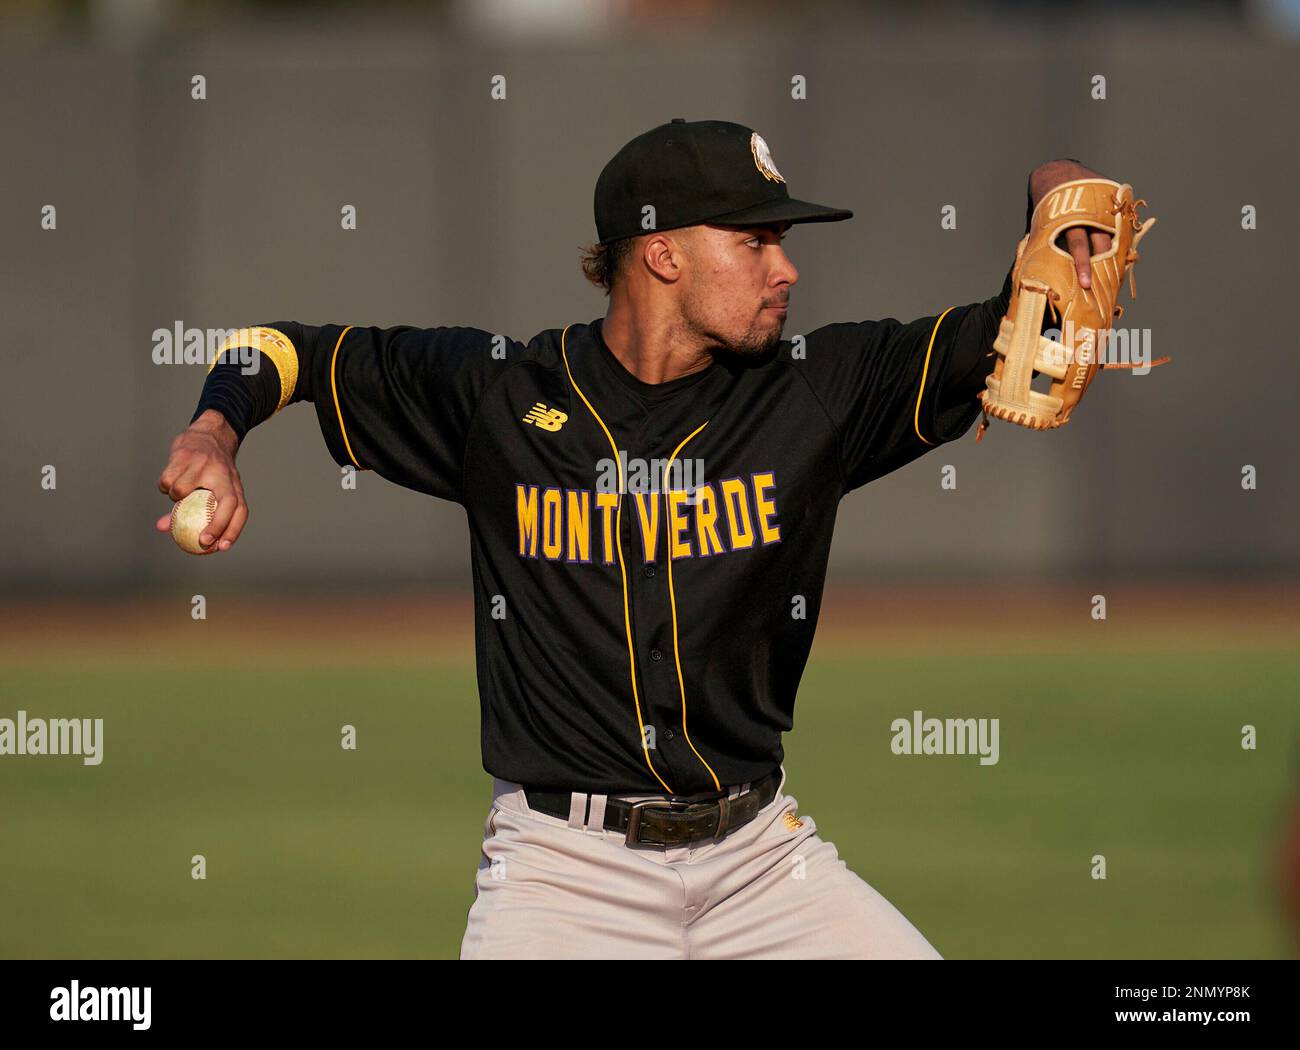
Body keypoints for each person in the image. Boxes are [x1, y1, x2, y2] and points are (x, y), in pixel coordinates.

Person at [156, 119, 1112, 959]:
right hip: (564, 877)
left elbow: (1024, 324)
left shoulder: (818, 391)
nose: (786, 269)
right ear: (661, 254)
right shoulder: (502, 396)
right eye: (756, 240)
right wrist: (213, 432)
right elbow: (281, 351)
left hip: (760, 864)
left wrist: (1059, 197)